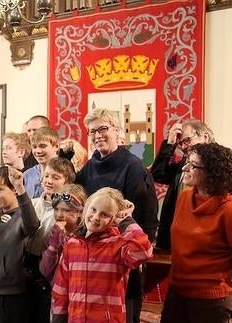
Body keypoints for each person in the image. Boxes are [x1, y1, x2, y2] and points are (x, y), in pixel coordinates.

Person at [75, 108, 158, 323]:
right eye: (92, 131)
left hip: (122, 256)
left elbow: (146, 216)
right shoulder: (90, 166)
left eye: (103, 129)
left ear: (117, 131)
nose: (97, 135)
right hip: (93, 258)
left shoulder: (133, 167)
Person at [160, 143, 232, 323]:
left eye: (193, 165)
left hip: (210, 298)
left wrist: (219, 264)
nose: (185, 168)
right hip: (177, 290)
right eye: (187, 162)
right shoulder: (184, 198)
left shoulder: (230, 209)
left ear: (212, 173)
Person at [51, 188, 153, 323]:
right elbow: (61, 288)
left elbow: (144, 252)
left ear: (114, 219)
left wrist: (126, 220)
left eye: (105, 214)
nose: (96, 217)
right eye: (93, 209)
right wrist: (58, 318)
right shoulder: (72, 244)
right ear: (86, 208)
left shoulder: (119, 244)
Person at [151, 119, 232, 251]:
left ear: (205, 136)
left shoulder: (227, 164)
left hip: (214, 250)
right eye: (180, 144)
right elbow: (158, 174)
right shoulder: (185, 163)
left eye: (187, 140)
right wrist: (169, 143)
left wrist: (227, 248)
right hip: (177, 244)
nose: (183, 147)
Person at [0, 166, 40, 323]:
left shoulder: (23, 215)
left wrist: (20, 188)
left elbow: (32, 224)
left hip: (12, 291)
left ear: (14, 189)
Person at [24, 157, 76, 323]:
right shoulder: (31, 204)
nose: (48, 180)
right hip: (27, 268)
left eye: (55, 177)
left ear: (66, 181)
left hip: (52, 272)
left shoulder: (67, 212)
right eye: (46, 176)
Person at [39, 184, 87, 282]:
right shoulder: (53, 234)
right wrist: (53, 247)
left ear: (80, 212)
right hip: (56, 290)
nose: (59, 215)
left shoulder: (86, 236)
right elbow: (45, 271)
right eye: (56, 209)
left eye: (66, 210)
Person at [24, 127, 59, 198]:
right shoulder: (27, 175)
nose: (38, 151)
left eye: (43, 146)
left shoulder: (66, 172)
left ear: (56, 146)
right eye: (34, 147)